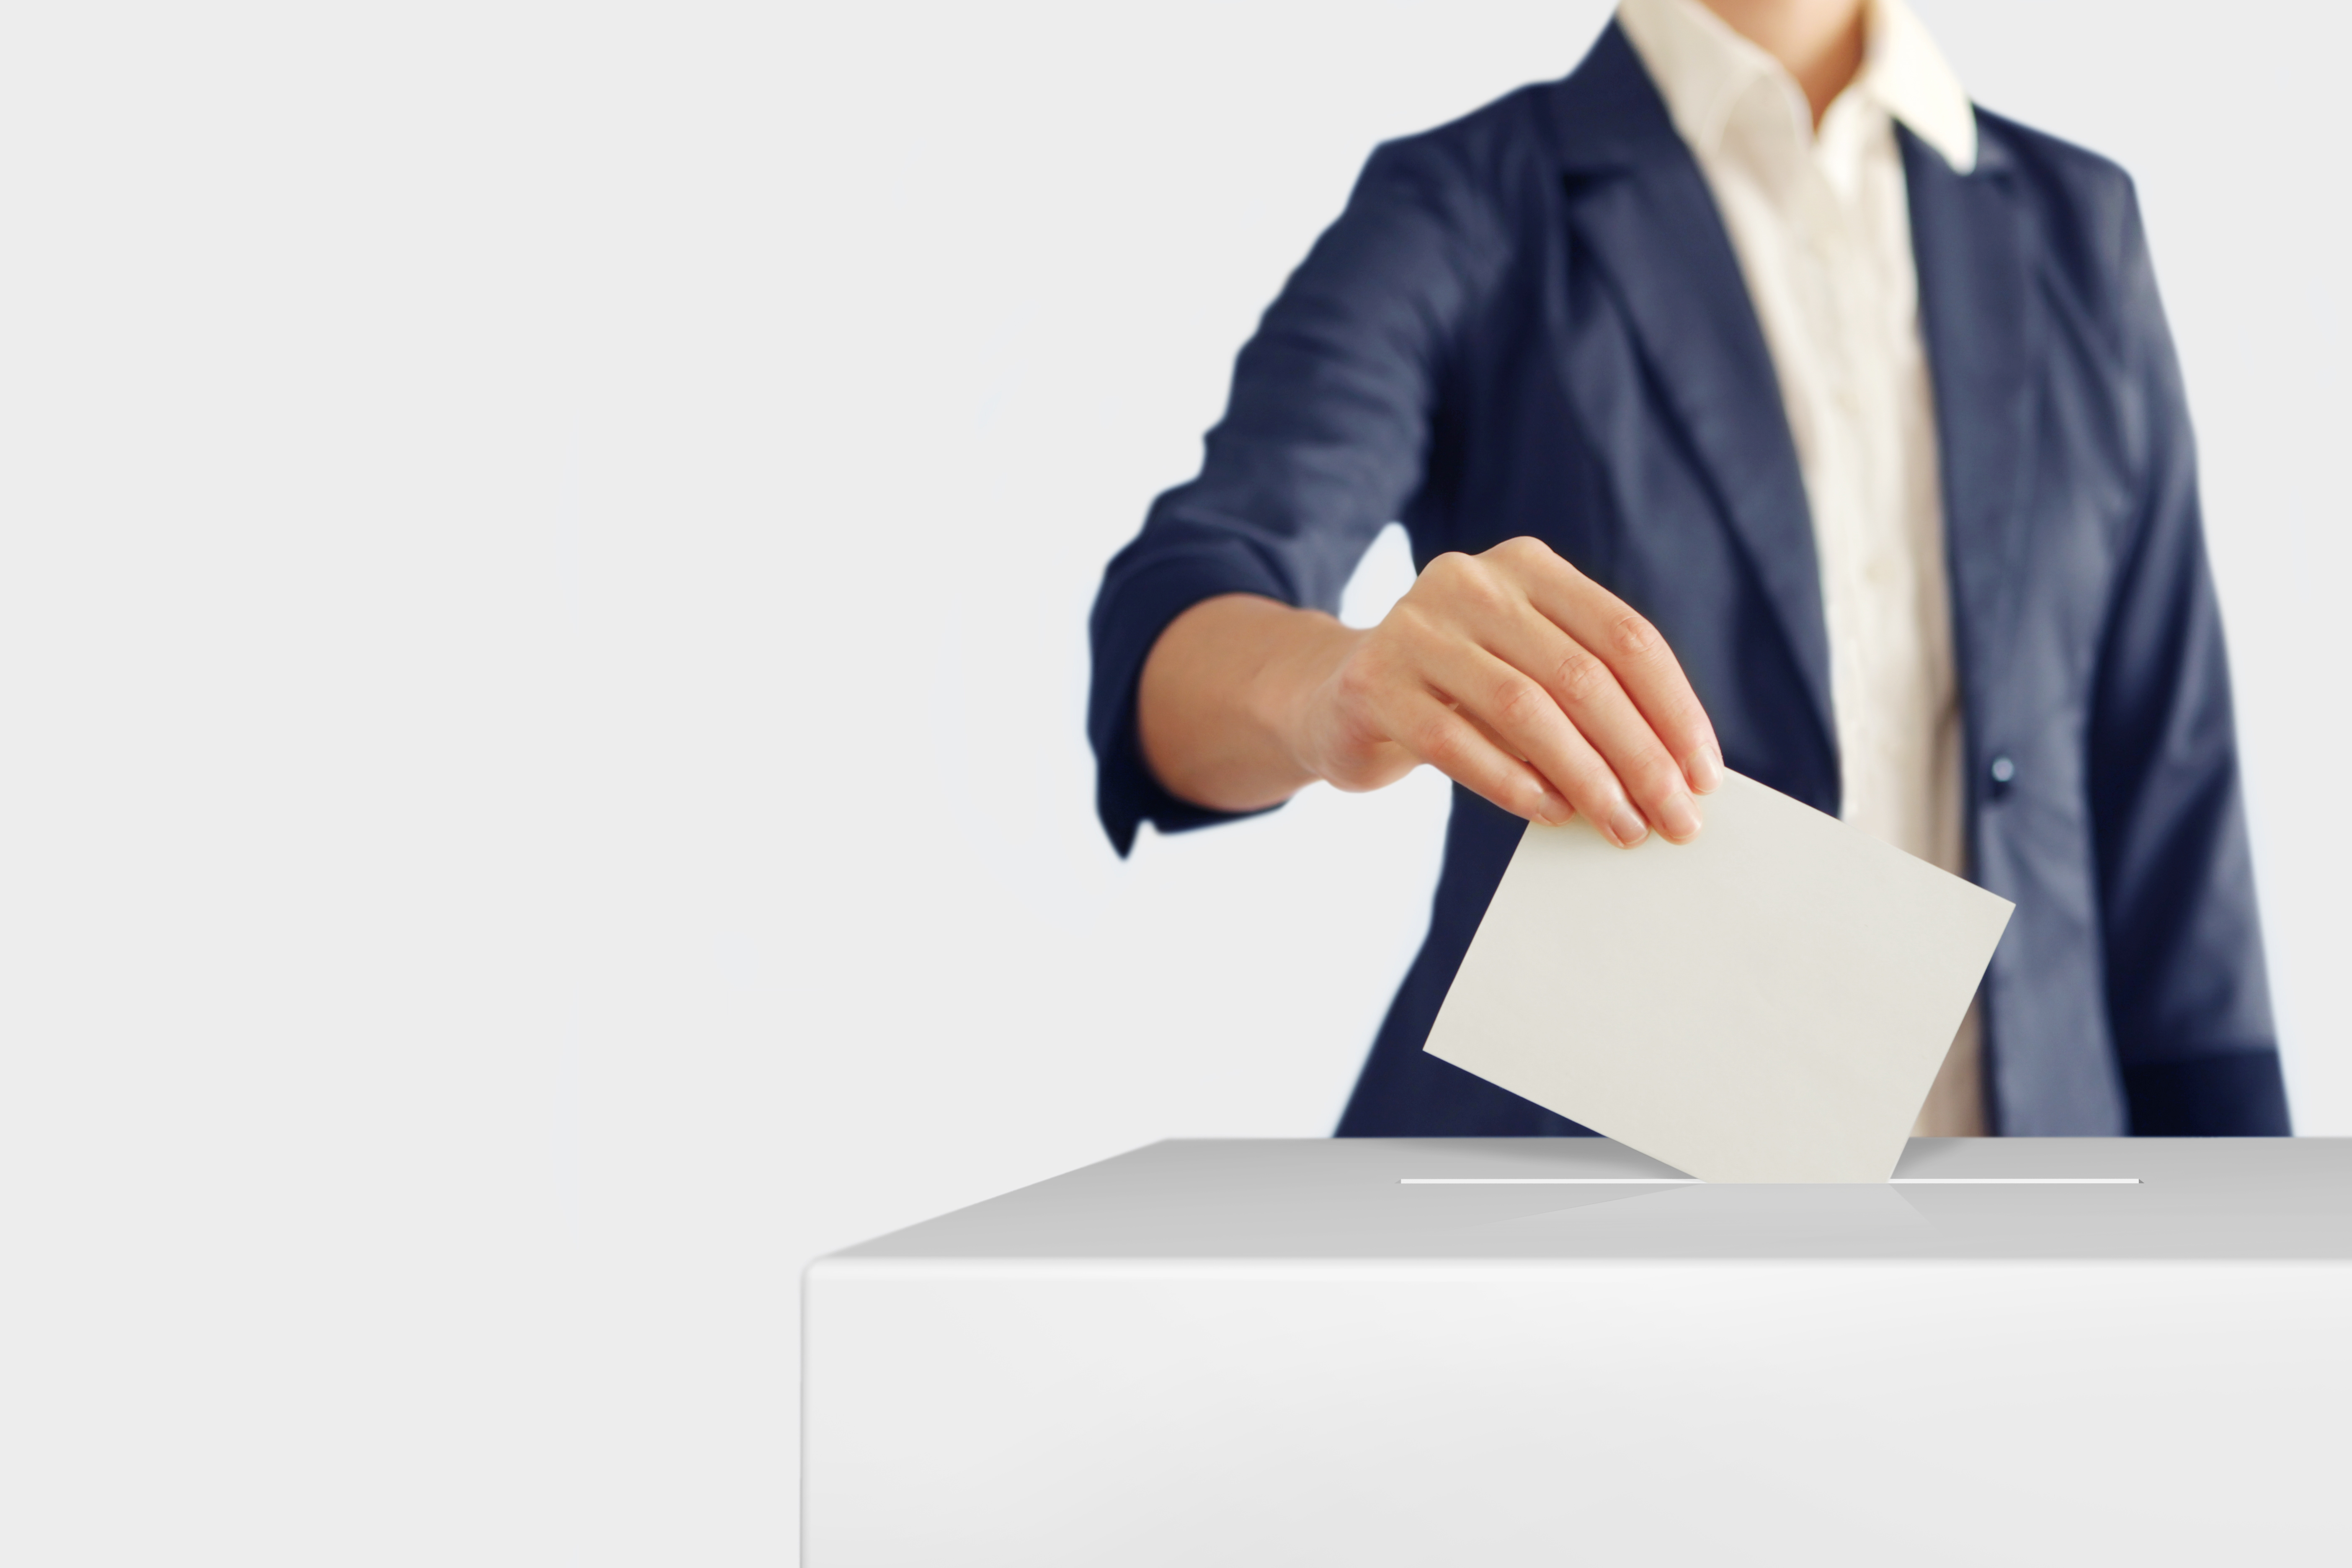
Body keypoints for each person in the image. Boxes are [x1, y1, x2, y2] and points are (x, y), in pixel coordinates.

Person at [1086, 0, 2289, 1137]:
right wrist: (1336, 686)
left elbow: (2169, 798)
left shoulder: (2081, 226)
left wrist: (2254, 1279)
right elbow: (1179, 617)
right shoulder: (1470, 203)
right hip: (1579, 1220)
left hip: (2030, 1210)